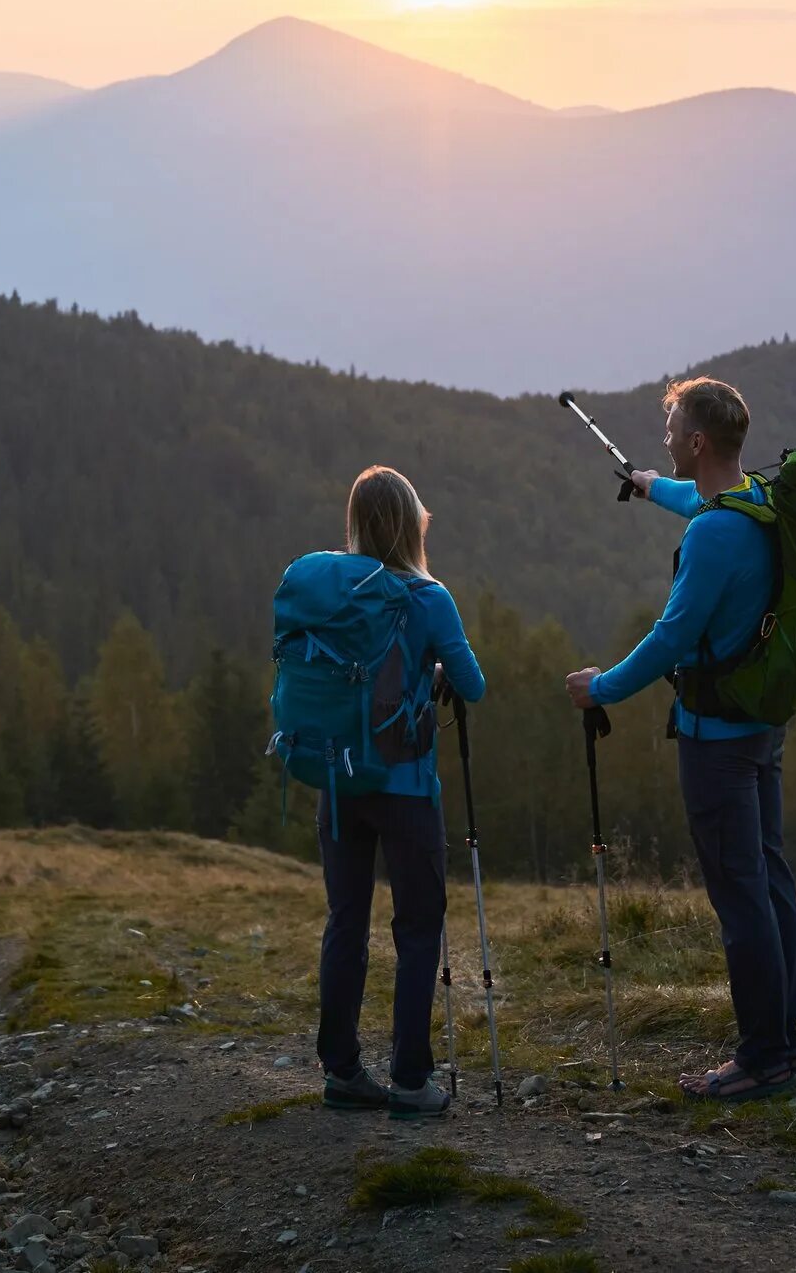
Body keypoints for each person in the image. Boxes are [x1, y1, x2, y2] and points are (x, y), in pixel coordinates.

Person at [564, 376, 796, 1102]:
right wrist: (647, 486)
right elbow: (698, 500)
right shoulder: (758, 502)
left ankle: (764, 1055)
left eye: (670, 428)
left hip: (716, 741)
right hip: (761, 727)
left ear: (697, 441)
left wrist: (601, 685)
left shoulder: (711, 534)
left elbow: (673, 636)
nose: (664, 437)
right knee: (769, 877)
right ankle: (786, 1037)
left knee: (740, 899)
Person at [312, 466, 486, 1117]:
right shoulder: (428, 597)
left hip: (337, 777)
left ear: (356, 523)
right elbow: (472, 686)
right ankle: (411, 1079)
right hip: (406, 786)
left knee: (345, 921)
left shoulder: (330, 592)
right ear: (411, 523)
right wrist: (434, 664)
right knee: (417, 926)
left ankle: (342, 1070)